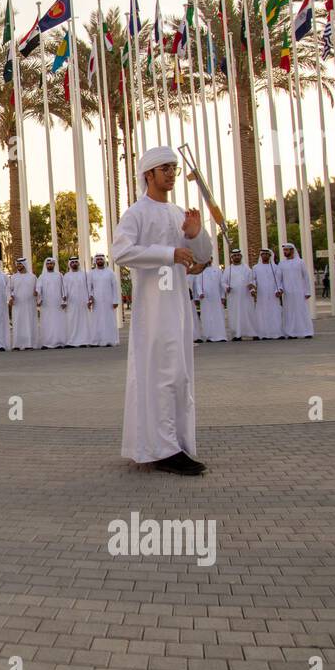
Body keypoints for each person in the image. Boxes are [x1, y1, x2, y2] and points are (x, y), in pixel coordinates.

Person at [112, 146, 213, 476]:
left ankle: (177, 442)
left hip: (178, 305)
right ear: (148, 175)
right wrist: (169, 253)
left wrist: (196, 236)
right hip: (154, 308)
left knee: (179, 373)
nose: (171, 173)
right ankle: (163, 448)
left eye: (173, 168)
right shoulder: (136, 213)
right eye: (164, 168)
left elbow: (199, 259)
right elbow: (122, 252)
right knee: (162, 373)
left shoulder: (177, 213)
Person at [277, 243, 314, 339]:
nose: (285, 252)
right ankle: (291, 332)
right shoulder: (281, 264)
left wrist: (307, 291)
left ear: (292, 250)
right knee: (289, 312)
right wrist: (279, 289)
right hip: (288, 293)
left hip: (300, 291)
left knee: (302, 311)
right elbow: (279, 279)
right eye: (284, 250)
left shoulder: (300, 262)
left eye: (287, 250)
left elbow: (306, 277)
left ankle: (306, 331)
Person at [250, 248, 284, 340]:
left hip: (273, 295)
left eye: (267, 254)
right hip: (261, 295)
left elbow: (279, 281)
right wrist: (252, 290)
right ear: (261, 256)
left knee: (275, 312)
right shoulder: (255, 268)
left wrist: (279, 290)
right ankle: (262, 334)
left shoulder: (276, 267)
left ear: (270, 256)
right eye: (263, 254)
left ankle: (276, 333)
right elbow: (252, 280)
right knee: (261, 313)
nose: (265, 256)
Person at [35, 256, 68, 349]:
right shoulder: (42, 276)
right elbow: (38, 288)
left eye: (51, 263)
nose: (50, 265)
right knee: (46, 322)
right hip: (46, 303)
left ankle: (58, 342)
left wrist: (64, 301)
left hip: (58, 303)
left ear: (54, 264)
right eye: (48, 264)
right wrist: (38, 297)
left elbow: (64, 288)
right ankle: (46, 343)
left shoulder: (59, 275)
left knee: (58, 322)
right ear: (46, 265)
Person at [88, 254, 121, 347]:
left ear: (104, 261)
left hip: (109, 301)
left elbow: (115, 287)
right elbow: (89, 287)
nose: (99, 261)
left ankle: (110, 340)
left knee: (109, 320)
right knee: (96, 320)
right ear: (95, 261)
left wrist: (115, 300)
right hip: (96, 301)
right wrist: (90, 297)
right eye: (97, 259)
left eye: (101, 259)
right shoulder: (91, 273)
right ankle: (96, 341)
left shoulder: (110, 272)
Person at [224, 248, 256, 341]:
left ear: (240, 256)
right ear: (231, 258)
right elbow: (223, 282)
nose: (236, 257)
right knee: (235, 315)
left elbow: (252, 279)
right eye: (234, 256)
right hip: (233, 296)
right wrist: (226, 287)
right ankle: (236, 335)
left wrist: (252, 288)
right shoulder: (228, 269)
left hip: (245, 296)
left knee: (248, 313)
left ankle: (252, 333)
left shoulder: (246, 268)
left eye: (238, 255)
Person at [8, 257, 37, 350]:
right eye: (17, 264)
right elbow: (8, 289)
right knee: (17, 323)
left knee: (29, 323)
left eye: (20, 264)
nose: (18, 266)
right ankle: (17, 344)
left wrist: (37, 293)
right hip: (18, 305)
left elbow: (38, 289)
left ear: (24, 265)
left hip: (30, 305)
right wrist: (10, 298)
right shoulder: (13, 277)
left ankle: (29, 344)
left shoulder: (32, 277)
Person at [196, 261, 228, 342]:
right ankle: (209, 336)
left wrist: (223, 296)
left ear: (211, 259)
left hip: (216, 298)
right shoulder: (200, 271)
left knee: (218, 316)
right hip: (205, 298)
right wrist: (200, 293)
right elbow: (198, 283)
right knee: (207, 316)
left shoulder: (217, 270)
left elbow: (221, 284)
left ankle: (221, 336)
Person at [63, 257, 92, 347]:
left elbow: (89, 287)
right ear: (70, 264)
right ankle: (71, 341)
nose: (74, 263)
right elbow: (64, 289)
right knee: (71, 321)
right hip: (71, 302)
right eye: (72, 262)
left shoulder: (85, 274)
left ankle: (84, 341)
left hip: (83, 301)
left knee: (83, 321)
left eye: (76, 262)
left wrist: (89, 299)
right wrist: (64, 300)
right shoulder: (66, 276)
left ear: (78, 263)